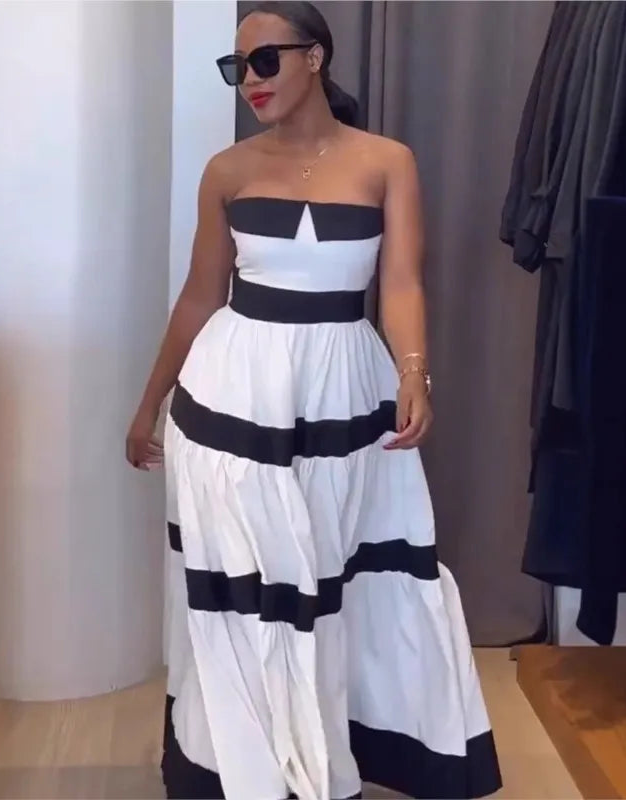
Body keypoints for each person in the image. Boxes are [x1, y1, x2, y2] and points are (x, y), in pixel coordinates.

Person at [126, 3, 501, 798]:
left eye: (264, 61)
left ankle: (323, 759)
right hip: (230, 396)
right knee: (242, 584)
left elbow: (401, 283)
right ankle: (241, 770)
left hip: (344, 391)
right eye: (237, 68)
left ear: (316, 58)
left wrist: (413, 373)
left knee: (339, 578)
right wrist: (150, 401)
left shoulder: (386, 161)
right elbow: (199, 295)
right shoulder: (227, 171)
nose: (249, 81)